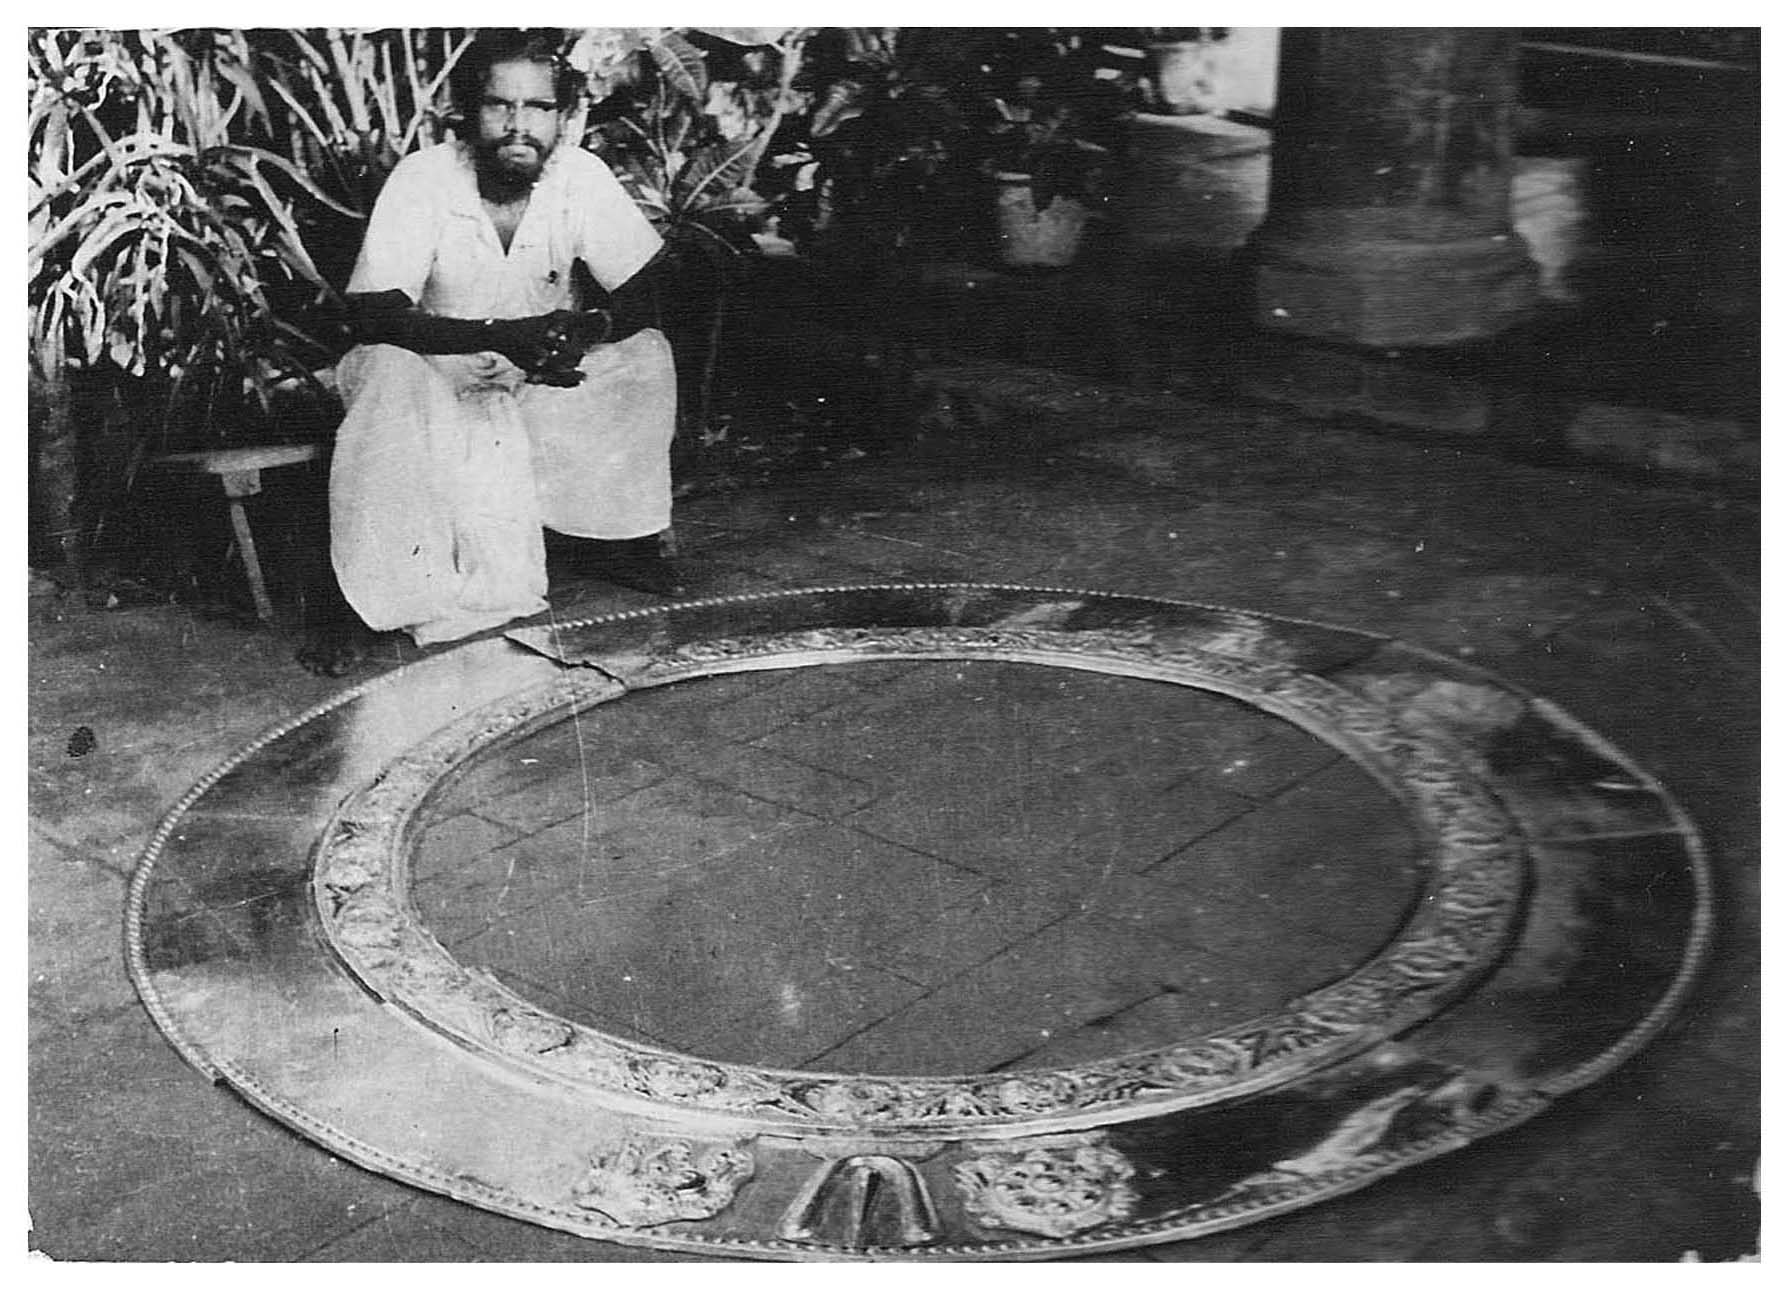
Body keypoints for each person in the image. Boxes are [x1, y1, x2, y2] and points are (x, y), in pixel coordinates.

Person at [300, 28, 683, 674]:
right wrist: (495, 335)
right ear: (467, 112)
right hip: (432, 374)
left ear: (563, 117)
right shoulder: (425, 178)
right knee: (388, 371)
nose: (518, 125)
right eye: (499, 105)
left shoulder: (577, 177)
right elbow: (374, 314)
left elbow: (651, 291)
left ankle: (613, 537)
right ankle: (359, 604)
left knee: (643, 354)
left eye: (538, 107)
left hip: (527, 376)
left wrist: (582, 330)